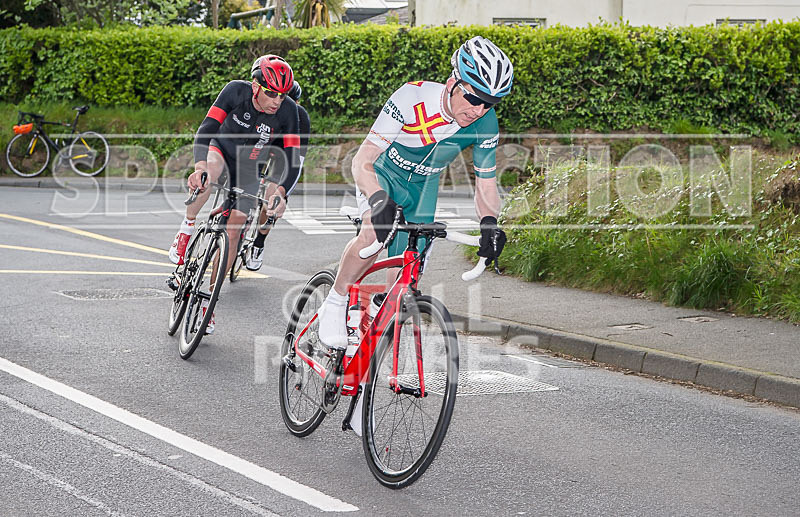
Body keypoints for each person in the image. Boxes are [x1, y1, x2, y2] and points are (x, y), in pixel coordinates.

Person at [316, 36, 513, 349]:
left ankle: (372, 324)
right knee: (373, 235)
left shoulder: (485, 123)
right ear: (453, 83)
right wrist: (377, 199)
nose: (479, 110)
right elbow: (362, 159)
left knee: (408, 275)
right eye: (473, 98)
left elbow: (486, 183)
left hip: (422, 188)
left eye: (489, 103)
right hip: (382, 175)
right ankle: (336, 302)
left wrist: (489, 223)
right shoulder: (412, 97)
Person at [168, 54, 302, 334]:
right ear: (255, 86)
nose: (277, 100)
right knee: (209, 174)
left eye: (282, 95)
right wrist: (200, 167)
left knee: (236, 225)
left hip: (249, 166)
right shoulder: (235, 91)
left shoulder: (290, 111)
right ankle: (186, 228)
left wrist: (280, 192)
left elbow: (292, 159)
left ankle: (208, 301)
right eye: (271, 93)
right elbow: (206, 128)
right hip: (221, 149)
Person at [245, 80, 311, 271]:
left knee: (270, 198)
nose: (280, 103)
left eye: (286, 99)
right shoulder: (264, 108)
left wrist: (282, 191)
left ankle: (259, 243)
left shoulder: (300, 117)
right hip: (262, 146)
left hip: (284, 155)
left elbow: (296, 159)